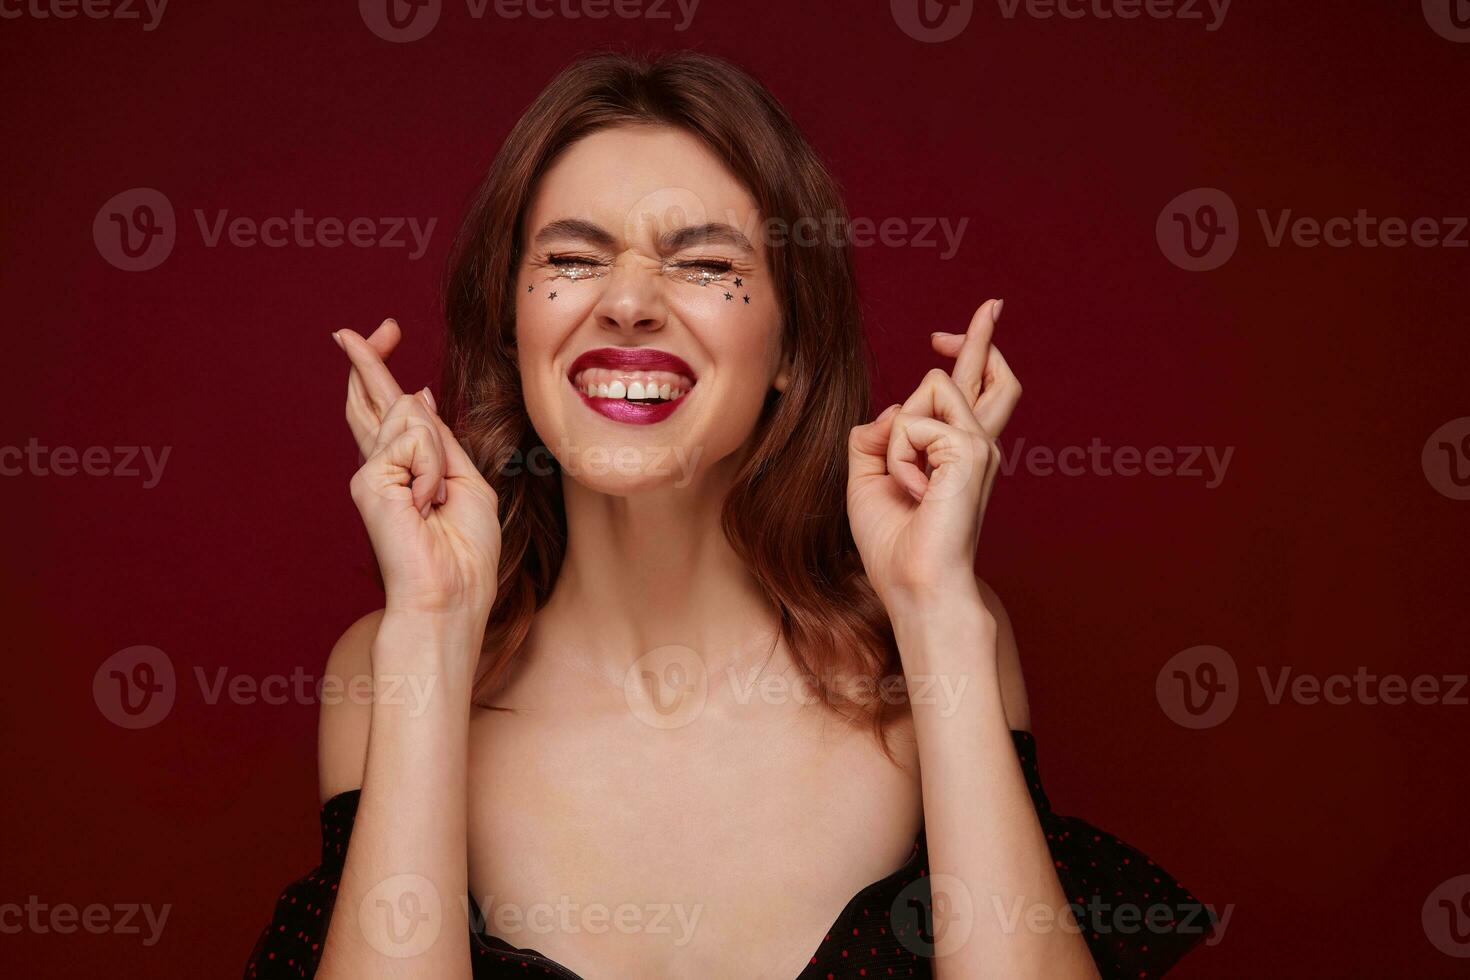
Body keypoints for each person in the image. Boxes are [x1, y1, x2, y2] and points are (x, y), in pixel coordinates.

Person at [246, 49, 1211, 980]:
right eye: (574, 258)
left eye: (705, 264)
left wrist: (935, 613)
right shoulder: (382, 668)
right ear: (512, 325)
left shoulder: (944, 644)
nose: (628, 302)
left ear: (793, 346)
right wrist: (430, 630)